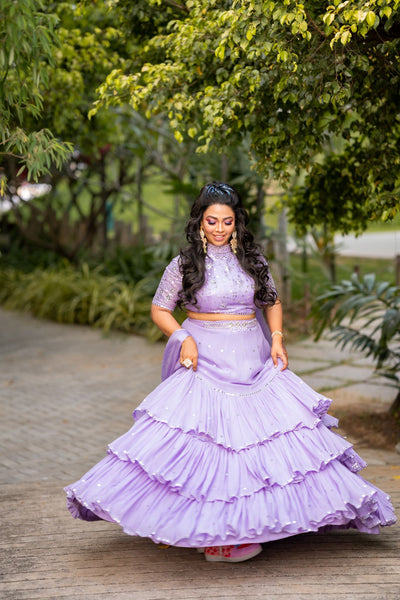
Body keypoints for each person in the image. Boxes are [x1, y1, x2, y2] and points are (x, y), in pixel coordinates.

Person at [65, 182, 396, 563]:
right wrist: (182, 335)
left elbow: (271, 301)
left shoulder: (252, 258)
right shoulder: (185, 263)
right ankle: (211, 534)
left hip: (253, 359)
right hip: (205, 359)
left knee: (264, 440)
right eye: (212, 221)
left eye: (227, 221)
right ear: (199, 222)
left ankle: (261, 520)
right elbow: (159, 309)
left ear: (237, 221)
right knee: (212, 443)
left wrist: (276, 337)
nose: (220, 228)